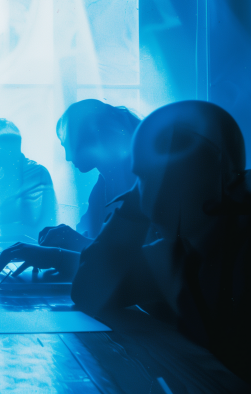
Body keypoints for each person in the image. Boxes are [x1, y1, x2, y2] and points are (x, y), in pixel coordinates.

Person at [72, 101, 251, 382]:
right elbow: (88, 292)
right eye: (143, 178)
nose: (154, 197)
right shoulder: (176, 253)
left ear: (212, 173)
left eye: (172, 176)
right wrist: (133, 205)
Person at [0, 100, 141, 277]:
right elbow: (96, 246)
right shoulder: (102, 186)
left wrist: (59, 253)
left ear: (91, 137)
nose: (68, 157)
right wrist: (63, 243)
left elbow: (128, 264)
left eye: (69, 145)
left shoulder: (140, 184)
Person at [0, 119, 57, 239]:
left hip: (28, 248)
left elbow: (31, 225)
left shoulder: (36, 173)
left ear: (8, 147)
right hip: (3, 243)